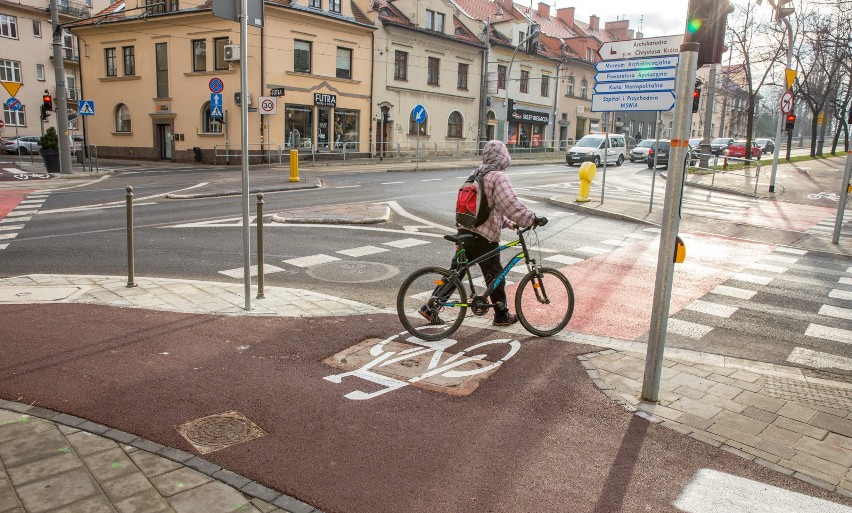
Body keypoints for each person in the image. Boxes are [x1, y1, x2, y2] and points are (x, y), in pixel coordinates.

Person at [422, 140, 539, 327]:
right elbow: (510, 204)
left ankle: (431, 307)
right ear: (503, 157)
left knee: (456, 273)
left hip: (465, 230)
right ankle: (501, 315)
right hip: (483, 236)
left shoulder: (476, 173)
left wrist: (507, 223)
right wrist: (531, 218)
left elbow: (485, 206)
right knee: (495, 274)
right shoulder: (497, 176)